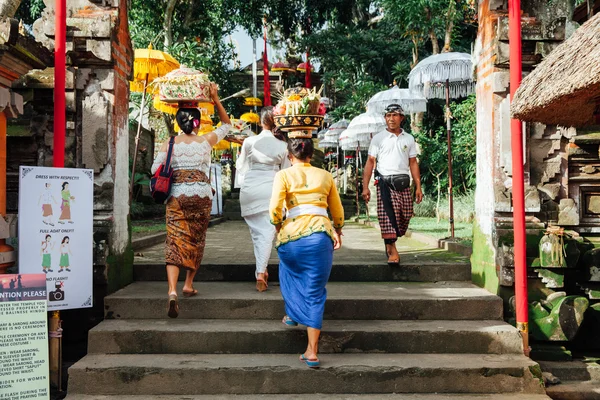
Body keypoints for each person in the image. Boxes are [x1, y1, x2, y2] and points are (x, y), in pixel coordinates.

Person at [151, 83, 232, 318]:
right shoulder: (206, 141)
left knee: (174, 242)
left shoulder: (170, 144)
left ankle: (172, 291)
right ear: (197, 122)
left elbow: (156, 168)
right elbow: (227, 125)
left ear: (178, 122)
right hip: (201, 196)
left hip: (176, 196)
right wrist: (216, 98)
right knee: (196, 239)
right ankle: (188, 284)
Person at [269, 132, 344, 368]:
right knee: (314, 291)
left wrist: (281, 227)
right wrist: (338, 230)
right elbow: (338, 212)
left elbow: (274, 210)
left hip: (291, 238)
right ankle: (312, 351)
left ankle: (292, 314)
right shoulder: (326, 176)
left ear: (290, 156)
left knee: (288, 269)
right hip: (320, 238)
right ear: (311, 155)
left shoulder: (283, 175)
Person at [362, 103, 423, 266]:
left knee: (405, 215)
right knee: (388, 218)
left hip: (403, 183)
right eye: (388, 116)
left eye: (395, 115)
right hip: (385, 183)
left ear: (401, 118)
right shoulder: (378, 138)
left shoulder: (408, 138)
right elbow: (370, 162)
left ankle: (390, 243)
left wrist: (418, 186)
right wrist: (365, 186)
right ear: (385, 118)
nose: (391, 119)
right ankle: (392, 250)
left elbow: (413, 162)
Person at [237, 107, 290, 292]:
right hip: (271, 188)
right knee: (266, 233)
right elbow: (285, 172)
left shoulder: (249, 142)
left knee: (258, 234)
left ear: (261, 122)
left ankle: (262, 270)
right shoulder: (283, 146)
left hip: (250, 189)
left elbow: (241, 167)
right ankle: (260, 271)